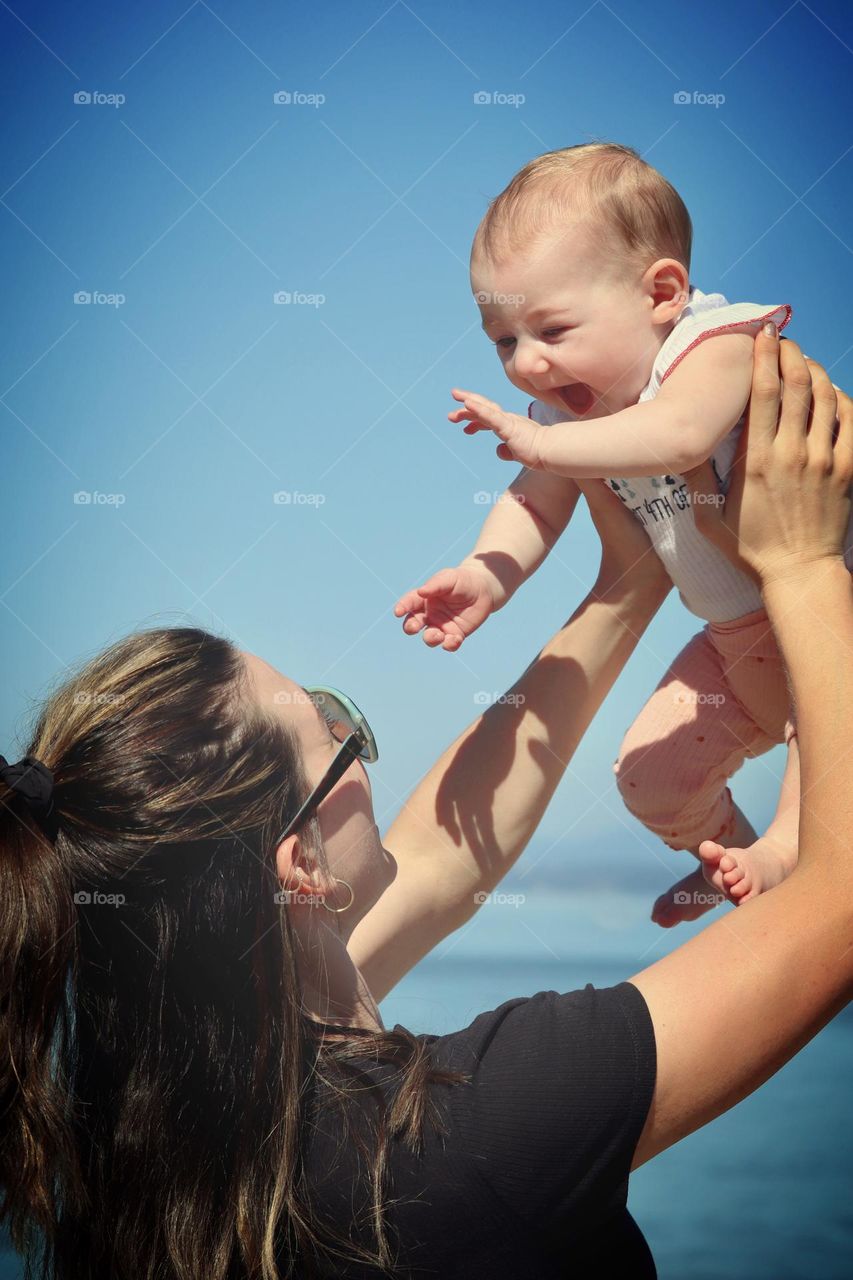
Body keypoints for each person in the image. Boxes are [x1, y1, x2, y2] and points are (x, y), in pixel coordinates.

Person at [1, 328, 850, 1278]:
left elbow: (449, 855)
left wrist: (632, 576)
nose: (368, 758)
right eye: (339, 733)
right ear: (302, 868)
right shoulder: (475, 1128)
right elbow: (839, 908)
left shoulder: (135, 1142)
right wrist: (807, 566)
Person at [393, 142, 853, 929]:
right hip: (733, 639)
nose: (528, 366)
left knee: (828, 741)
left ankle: (784, 850)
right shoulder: (572, 416)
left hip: (827, 614)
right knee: (649, 776)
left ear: (661, 293)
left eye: (551, 329)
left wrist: (541, 445)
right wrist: (485, 574)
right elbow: (535, 505)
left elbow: (677, 436)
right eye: (503, 341)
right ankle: (730, 861)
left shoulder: (713, 348)